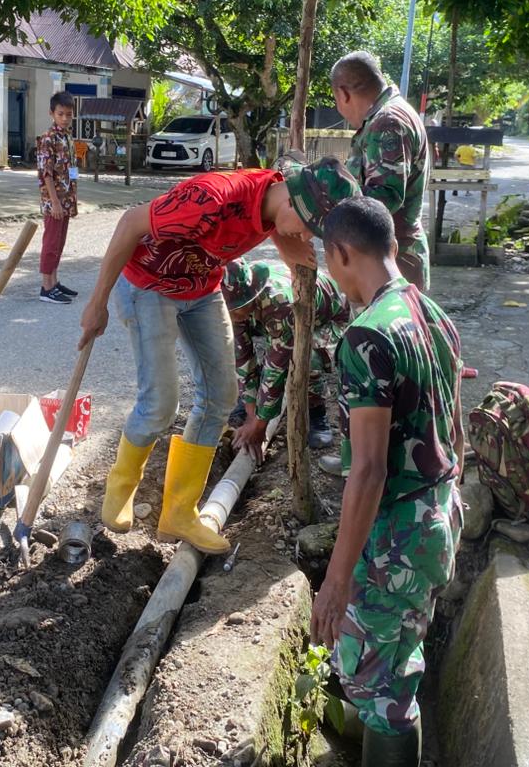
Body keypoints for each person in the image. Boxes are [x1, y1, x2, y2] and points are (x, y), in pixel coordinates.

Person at [79, 158, 360, 553]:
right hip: (149, 287)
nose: (304, 237)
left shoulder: (279, 197)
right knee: (160, 404)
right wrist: (97, 302)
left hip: (201, 288)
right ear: (295, 205)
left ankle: (180, 511)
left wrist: (288, 249)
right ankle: (121, 486)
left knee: (220, 395)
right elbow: (130, 222)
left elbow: (275, 221)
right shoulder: (212, 200)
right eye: (306, 229)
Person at [311, 196, 464, 767]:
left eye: (330, 262)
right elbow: (452, 427)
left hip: (399, 533)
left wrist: (336, 578)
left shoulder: (367, 338)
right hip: (440, 515)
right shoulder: (434, 315)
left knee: (381, 691)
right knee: (400, 661)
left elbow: (370, 469)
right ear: (394, 248)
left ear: (342, 253)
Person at [220, 259, 350, 458]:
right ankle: (254, 402)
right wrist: (250, 409)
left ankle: (316, 413)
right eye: (229, 310)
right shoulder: (234, 297)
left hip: (325, 320)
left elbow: (277, 368)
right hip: (276, 318)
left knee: (304, 359)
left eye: (237, 310)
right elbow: (241, 354)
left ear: (252, 294)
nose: (233, 315)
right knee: (252, 351)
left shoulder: (281, 304)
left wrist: (259, 425)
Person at [331, 51, 431, 291]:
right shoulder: (392, 113)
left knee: (383, 329)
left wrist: (329, 196)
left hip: (389, 264)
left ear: (343, 94)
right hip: (388, 259)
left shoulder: (387, 122)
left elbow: (383, 200)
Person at [36, 92, 79, 304]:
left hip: (67, 199)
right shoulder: (48, 139)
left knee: (59, 243)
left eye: (68, 115)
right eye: (60, 114)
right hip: (54, 201)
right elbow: (46, 174)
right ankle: (46, 287)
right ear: (52, 113)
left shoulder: (67, 137)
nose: (64, 118)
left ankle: (54, 282)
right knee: (51, 241)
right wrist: (54, 202)